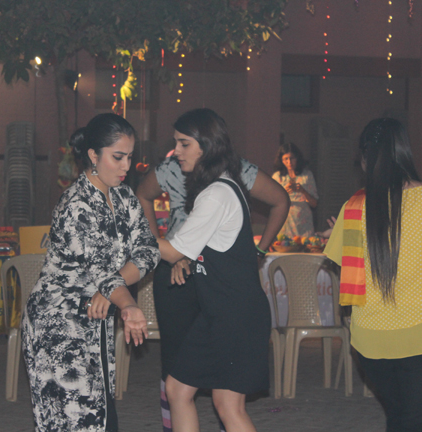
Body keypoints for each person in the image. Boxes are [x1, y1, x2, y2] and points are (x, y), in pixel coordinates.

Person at [324, 118, 422, 432]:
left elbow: (348, 263)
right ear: (404, 151)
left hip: (371, 342)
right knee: (420, 421)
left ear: (366, 159)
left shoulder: (353, 207)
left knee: (399, 417)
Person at [137, 116, 289, 432]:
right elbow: (194, 248)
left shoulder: (217, 193)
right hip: (219, 314)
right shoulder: (217, 187)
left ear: (206, 147)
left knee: (227, 406)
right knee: (178, 390)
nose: (176, 151)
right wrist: (184, 257)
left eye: (184, 144)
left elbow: (173, 251)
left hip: (235, 315)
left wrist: (130, 232)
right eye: (176, 143)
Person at [21, 113, 160, 432]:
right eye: (118, 157)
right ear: (94, 156)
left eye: (129, 157)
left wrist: (114, 290)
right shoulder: (76, 205)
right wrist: (127, 304)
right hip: (59, 324)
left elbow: (149, 249)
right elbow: (102, 272)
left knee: (101, 416)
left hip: (95, 317)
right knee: (77, 421)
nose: (126, 166)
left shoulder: (124, 196)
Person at [272, 142, 318, 237]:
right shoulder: (277, 177)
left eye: (292, 158)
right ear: (281, 160)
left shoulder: (307, 176)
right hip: (284, 223)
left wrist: (302, 191)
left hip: (303, 223)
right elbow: (271, 202)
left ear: (297, 158)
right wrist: (284, 192)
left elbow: (314, 204)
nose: (289, 162)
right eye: (286, 159)